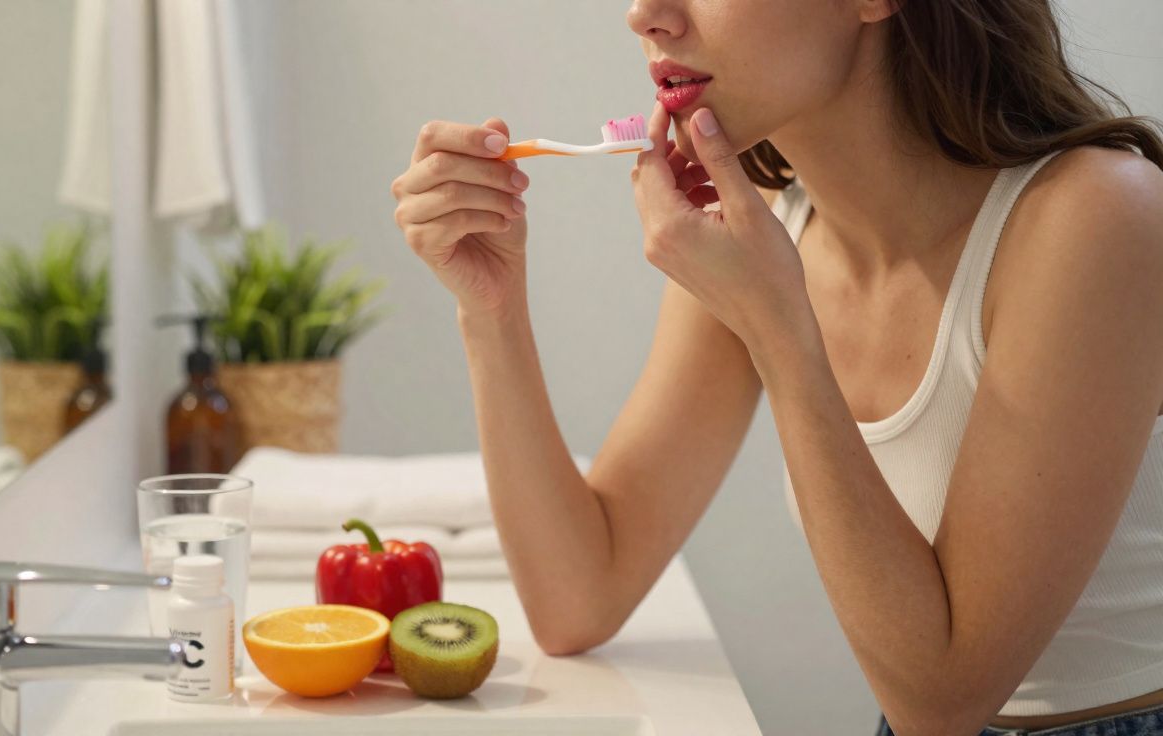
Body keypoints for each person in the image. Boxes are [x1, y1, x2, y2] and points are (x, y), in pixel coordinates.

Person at [388, 1, 1163, 733]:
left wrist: (780, 329)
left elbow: (941, 705)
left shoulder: (1100, 216)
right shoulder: (766, 224)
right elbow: (577, 596)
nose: (644, 14)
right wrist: (491, 311)